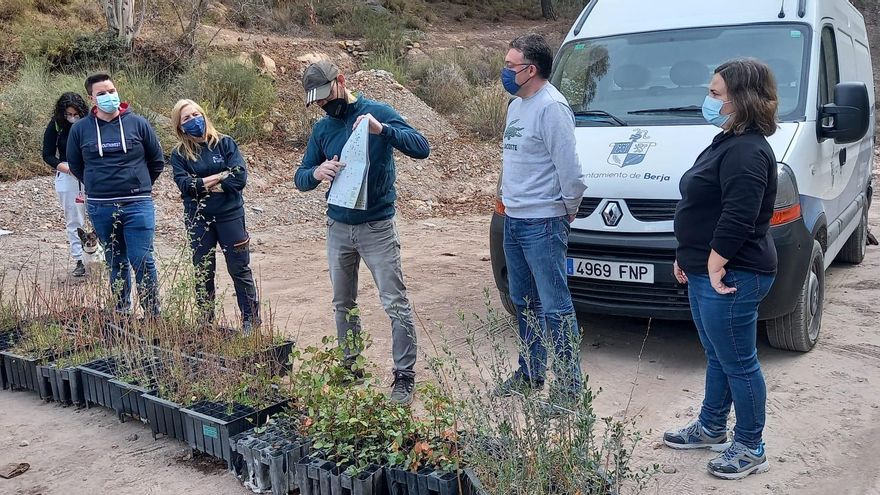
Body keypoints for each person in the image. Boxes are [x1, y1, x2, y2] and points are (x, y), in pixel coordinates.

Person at [665, 58, 779, 480]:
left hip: (735, 273)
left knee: (739, 362)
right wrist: (688, 256)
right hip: (704, 268)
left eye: (715, 94)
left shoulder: (748, 150)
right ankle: (712, 427)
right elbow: (703, 206)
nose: (708, 101)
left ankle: (750, 445)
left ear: (741, 101)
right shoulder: (726, 141)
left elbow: (738, 217)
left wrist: (713, 264)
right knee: (718, 354)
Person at [294, 60, 430, 405]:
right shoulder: (322, 130)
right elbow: (301, 176)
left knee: (394, 302)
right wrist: (316, 172)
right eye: (318, 102)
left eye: (326, 96)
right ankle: (350, 366)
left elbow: (421, 147)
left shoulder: (377, 112)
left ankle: (404, 376)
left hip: (377, 227)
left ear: (341, 81)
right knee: (343, 303)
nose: (324, 105)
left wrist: (382, 130)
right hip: (338, 226)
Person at [493, 33, 587, 413]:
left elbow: (572, 172)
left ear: (531, 70)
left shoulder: (552, 108)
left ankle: (568, 388)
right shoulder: (518, 105)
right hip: (514, 219)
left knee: (555, 305)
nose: (504, 71)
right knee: (523, 301)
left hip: (543, 223)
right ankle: (530, 373)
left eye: (511, 65)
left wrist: (567, 209)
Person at [66, 73, 165, 316]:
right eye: (101, 94)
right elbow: (76, 165)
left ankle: (153, 314)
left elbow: (157, 161)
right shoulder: (80, 129)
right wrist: (97, 185)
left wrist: (138, 185)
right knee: (115, 260)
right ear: (92, 98)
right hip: (101, 207)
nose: (108, 96)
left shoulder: (138, 123)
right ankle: (122, 311)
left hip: (137, 204)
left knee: (142, 259)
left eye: (111, 91)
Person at [169, 99, 260, 333]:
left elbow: (239, 179)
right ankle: (206, 321)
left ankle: (251, 321)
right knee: (203, 270)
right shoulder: (179, 154)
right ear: (179, 125)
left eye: (196, 114)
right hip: (198, 219)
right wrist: (220, 177)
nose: (193, 120)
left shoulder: (225, 143)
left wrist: (201, 184)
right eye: (186, 118)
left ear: (204, 115)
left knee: (239, 269)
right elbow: (185, 186)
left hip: (230, 216)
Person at [43, 92, 90, 277]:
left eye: (75, 114)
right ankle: (80, 259)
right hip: (68, 173)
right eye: (68, 114)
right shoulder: (56, 125)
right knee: (74, 219)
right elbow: (47, 154)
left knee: (98, 214)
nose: (72, 118)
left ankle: (102, 256)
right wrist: (67, 169)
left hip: (91, 171)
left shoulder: (90, 124)